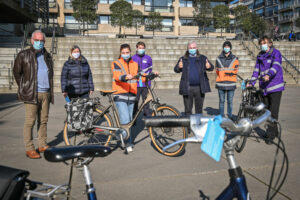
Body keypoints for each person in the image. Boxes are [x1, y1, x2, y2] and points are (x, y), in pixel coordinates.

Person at [13, 30, 54, 159]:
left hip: (45, 93)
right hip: (32, 93)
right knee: (30, 121)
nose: (39, 42)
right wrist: (24, 87)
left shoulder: (47, 55)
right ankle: (29, 148)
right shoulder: (23, 55)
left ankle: (42, 144)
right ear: (31, 40)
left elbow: (50, 74)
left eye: (42, 40)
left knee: (43, 120)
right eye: (37, 40)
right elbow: (16, 73)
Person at [247, 36, 284, 141]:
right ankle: (274, 132)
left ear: (270, 43)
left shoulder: (276, 53)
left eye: (265, 42)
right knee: (266, 112)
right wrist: (252, 82)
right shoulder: (260, 55)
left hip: (275, 87)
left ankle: (270, 135)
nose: (262, 44)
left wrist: (269, 75)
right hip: (264, 88)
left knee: (273, 112)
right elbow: (256, 70)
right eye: (261, 43)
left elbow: (276, 65)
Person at [111, 44, 141, 150]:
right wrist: (124, 77)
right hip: (120, 94)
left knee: (129, 121)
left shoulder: (135, 64)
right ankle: (127, 142)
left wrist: (151, 75)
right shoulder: (116, 63)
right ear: (120, 53)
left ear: (130, 52)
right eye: (123, 53)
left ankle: (124, 137)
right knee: (125, 119)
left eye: (127, 52)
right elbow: (116, 76)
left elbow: (140, 76)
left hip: (132, 94)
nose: (125, 54)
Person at [174, 41, 214, 115]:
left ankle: (198, 125)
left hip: (199, 88)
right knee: (188, 110)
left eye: (194, 48)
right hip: (187, 87)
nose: (192, 49)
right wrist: (179, 67)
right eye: (190, 48)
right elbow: (176, 69)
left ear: (197, 48)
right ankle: (189, 126)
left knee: (199, 110)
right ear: (187, 49)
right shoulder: (183, 59)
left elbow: (211, 67)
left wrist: (209, 67)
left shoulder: (203, 58)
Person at [215, 41, 239, 119]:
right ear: (223, 47)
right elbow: (217, 70)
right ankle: (221, 116)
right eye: (225, 46)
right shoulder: (218, 58)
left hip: (231, 83)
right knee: (221, 101)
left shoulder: (235, 58)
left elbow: (236, 70)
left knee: (230, 101)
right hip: (221, 83)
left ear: (230, 48)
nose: (226, 48)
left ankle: (230, 115)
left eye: (228, 47)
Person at [132, 41, 153, 117]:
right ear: (137, 48)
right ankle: (133, 119)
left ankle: (148, 120)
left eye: (143, 48)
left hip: (145, 84)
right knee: (135, 102)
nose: (141, 49)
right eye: (140, 48)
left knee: (146, 103)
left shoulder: (148, 58)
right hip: (136, 84)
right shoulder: (132, 58)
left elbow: (150, 70)